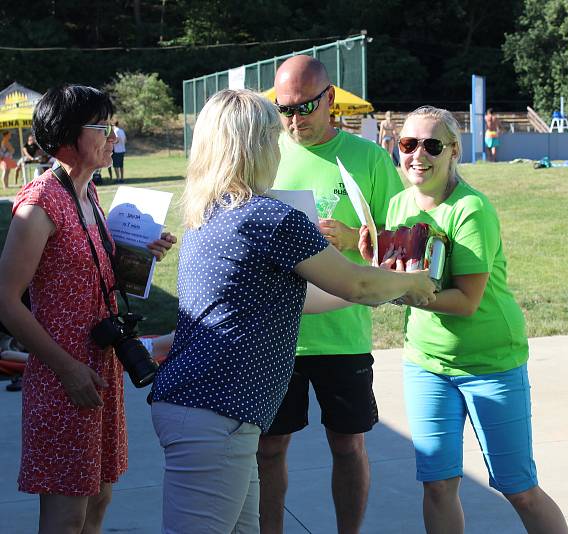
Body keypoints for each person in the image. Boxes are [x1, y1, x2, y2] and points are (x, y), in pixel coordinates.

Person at [149, 88, 435, 533]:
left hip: (211, 411)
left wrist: (389, 290)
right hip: (216, 413)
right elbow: (356, 282)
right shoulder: (271, 217)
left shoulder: (211, 211)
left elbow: (313, 297)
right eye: (272, 130)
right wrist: (414, 282)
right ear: (256, 143)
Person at [360, 106, 568, 534]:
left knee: (518, 488)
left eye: (431, 145)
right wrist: (378, 268)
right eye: (407, 144)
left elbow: (466, 301)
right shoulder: (399, 205)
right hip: (427, 364)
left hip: (491, 364)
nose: (418, 154)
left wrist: (394, 289)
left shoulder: (471, 210)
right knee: (437, 484)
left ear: (454, 151)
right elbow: (402, 275)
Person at [0, 84, 175, 534]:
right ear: (66, 138)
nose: (114, 136)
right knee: (66, 512)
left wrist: (141, 253)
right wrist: (65, 369)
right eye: (103, 127)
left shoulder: (87, 192)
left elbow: (93, 269)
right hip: (64, 378)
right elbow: (5, 299)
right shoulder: (39, 202)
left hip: (101, 366)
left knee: (99, 496)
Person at [257, 54, 405, 534]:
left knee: (348, 444)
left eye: (304, 107)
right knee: (270, 447)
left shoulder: (369, 158)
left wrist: (357, 236)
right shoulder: (265, 152)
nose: (294, 120)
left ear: (331, 99)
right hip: (277, 331)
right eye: (284, 108)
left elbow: (403, 241)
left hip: (343, 331)